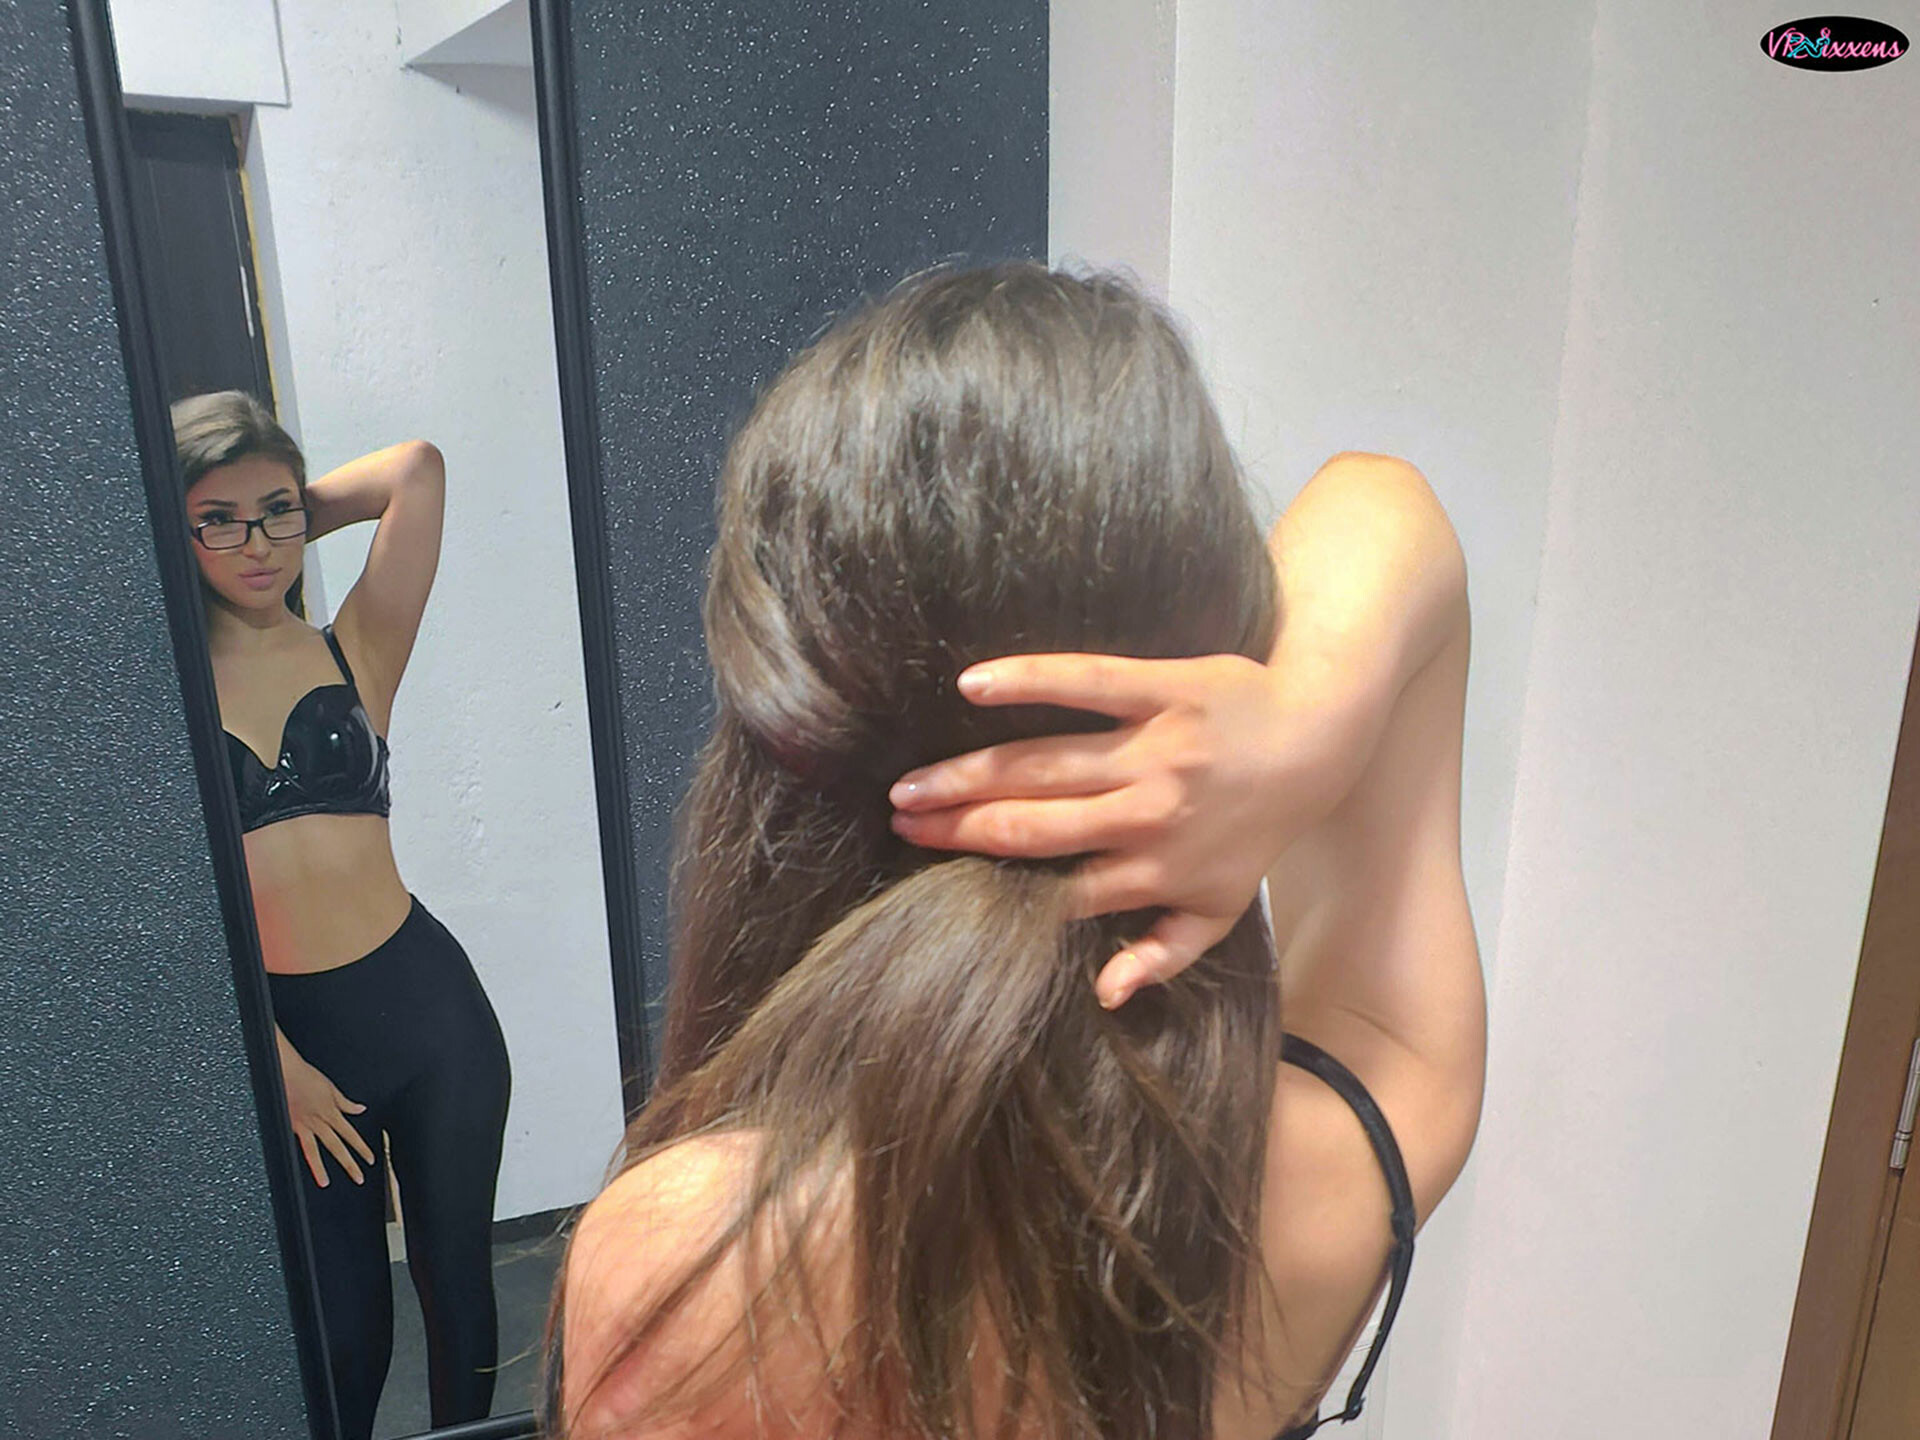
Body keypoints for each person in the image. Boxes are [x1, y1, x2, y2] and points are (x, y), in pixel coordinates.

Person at [551, 264, 1485, 1440]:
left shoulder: (687, 1269)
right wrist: (1302, 714)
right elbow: (1391, 510)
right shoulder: (1324, 1171)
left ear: (781, 719)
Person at [172, 392, 513, 1440]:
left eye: (275, 512)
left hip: (433, 1015)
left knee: (460, 1290)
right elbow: (182, 922)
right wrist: (273, 1063)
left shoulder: (354, 646)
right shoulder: (163, 690)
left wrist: (276, 514)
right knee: (347, 1334)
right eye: (218, 520)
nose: (256, 544)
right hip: (300, 1048)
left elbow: (416, 470)